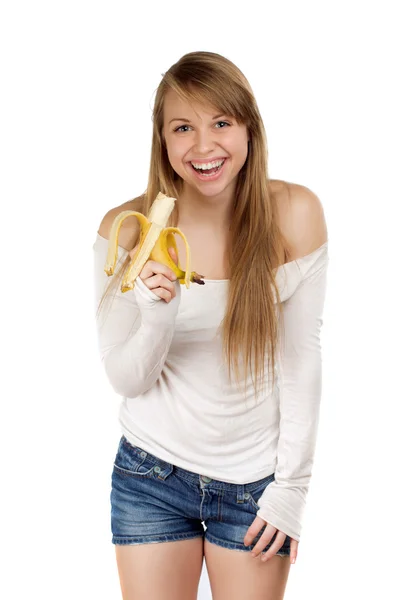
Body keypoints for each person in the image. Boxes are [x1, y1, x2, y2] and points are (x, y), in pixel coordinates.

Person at [93, 50, 329, 600]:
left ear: (249, 128)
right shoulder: (125, 230)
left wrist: (291, 487)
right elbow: (126, 379)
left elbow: (301, 359)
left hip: (254, 487)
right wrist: (157, 317)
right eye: (183, 127)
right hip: (150, 477)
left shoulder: (296, 213)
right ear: (163, 140)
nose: (204, 147)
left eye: (221, 122)